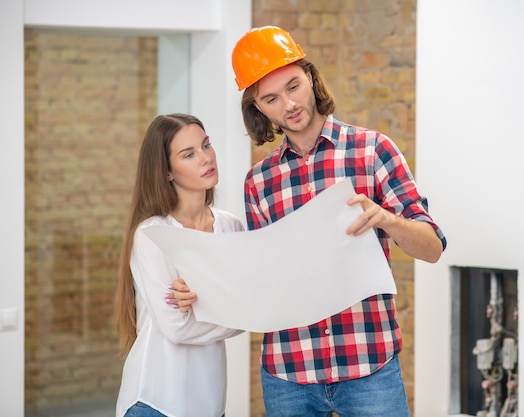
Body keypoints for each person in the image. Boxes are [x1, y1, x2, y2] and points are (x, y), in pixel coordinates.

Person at [171, 26, 447, 416]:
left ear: (312, 79)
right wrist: (201, 290)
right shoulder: (260, 182)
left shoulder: (372, 151)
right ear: (258, 107)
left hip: (369, 364)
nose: (289, 104)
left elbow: (433, 248)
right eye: (271, 98)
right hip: (289, 371)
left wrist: (388, 220)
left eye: (294, 86)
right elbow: (260, 275)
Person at [115, 113, 244, 417]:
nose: (206, 158)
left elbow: (254, 306)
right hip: (154, 402)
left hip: (210, 404)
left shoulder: (231, 227)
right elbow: (177, 329)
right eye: (189, 154)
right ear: (167, 172)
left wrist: (204, 304)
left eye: (206, 145)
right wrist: (236, 308)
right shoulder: (152, 234)